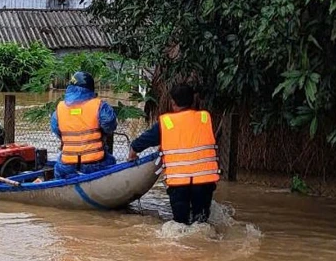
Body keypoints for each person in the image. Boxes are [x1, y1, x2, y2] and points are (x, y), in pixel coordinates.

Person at [127, 83, 219, 225]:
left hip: (179, 183)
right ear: (193, 100)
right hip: (204, 182)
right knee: (201, 223)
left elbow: (144, 140)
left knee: (180, 225)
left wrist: (133, 151)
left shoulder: (167, 122)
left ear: (172, 102)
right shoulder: (205, 118)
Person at [51, 71, 117, 178]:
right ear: (91, 88)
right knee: (111, 160)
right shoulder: (99, 106)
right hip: (95, 164)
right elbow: (110, 125)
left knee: (58, 167)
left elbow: (56, 130)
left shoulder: (60, 108)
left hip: (67, 165)